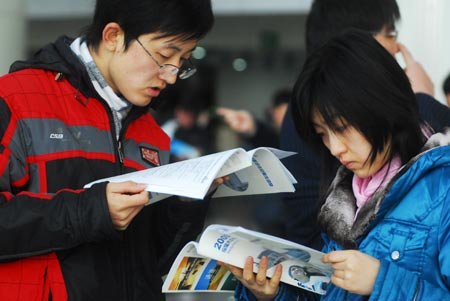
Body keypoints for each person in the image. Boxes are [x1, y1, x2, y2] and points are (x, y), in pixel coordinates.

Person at [0, 1, 218, 300]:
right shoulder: (15, 100)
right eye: (165, 55)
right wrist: (92, 211)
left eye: (184, 61)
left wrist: (187, 203)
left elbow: (154, 263)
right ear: (113, 35)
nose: (170, 75)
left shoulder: (151, 133)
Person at [228, 30, 450, 301]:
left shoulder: (443, 190)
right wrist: (270, 294)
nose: (334, 148)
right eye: (322, 134)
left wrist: (381, 282)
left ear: (383, 105)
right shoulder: (345, 193)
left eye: (342, 128)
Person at [279, 0, 450, 251]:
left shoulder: (437, 187)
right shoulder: (343, 196)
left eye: (342, 128)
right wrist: (422, 99)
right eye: (390, 34)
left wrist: (377, 278)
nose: (397, 47)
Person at [215, 88, 291, 149]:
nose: (287, 119)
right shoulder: (269, 133)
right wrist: (253, 129)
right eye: (284, 114)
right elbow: (269, 138)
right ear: (273, 112)